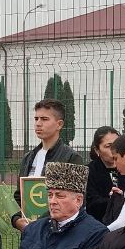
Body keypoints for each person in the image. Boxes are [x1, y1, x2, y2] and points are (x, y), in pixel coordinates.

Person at [11, 99, 85, 232]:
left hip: (60, 233)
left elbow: (78, 201)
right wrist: (17, 220)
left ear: (59, 124)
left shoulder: (71, 158)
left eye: (44, 119)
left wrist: (38, 224)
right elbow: (20, 195)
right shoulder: (28, 157)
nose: (38, 124)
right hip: (31, 234)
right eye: (36, 119)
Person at [85, 125, 125, 225]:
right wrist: (112, 199)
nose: (114, 150)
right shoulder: (89, 171)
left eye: (117, 144)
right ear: (97, 150)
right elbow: (91, 203)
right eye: (108, 146)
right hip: (99, 225)